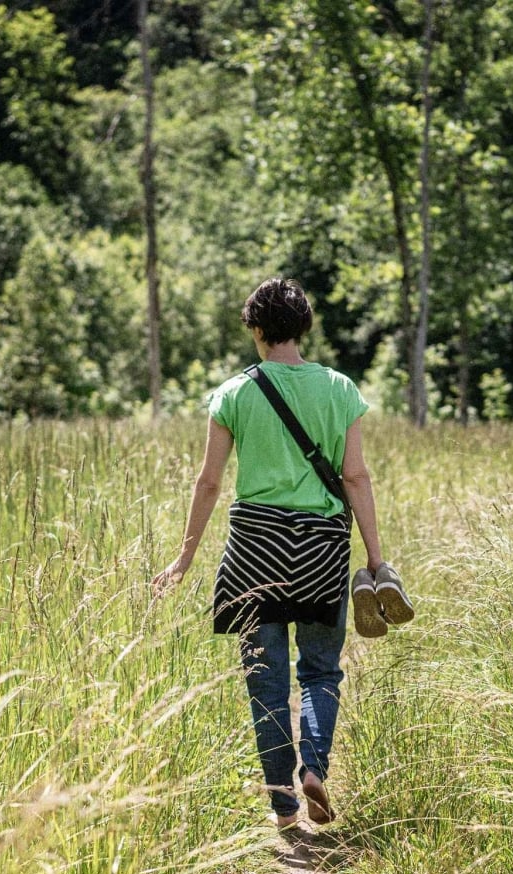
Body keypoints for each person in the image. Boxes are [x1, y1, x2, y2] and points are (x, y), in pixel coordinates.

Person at [151, 277, 409, 831]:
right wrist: (374, 558)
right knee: (320, 671)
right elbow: (356, 476)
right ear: (304, 328)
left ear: (257, 330)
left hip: (254, 550)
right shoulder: (340, 389)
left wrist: (184, 559)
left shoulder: (234, 393)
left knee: (264, 677)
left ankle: (285, 808)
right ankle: (314, 767)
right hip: (320, 547)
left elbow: (209, 483)